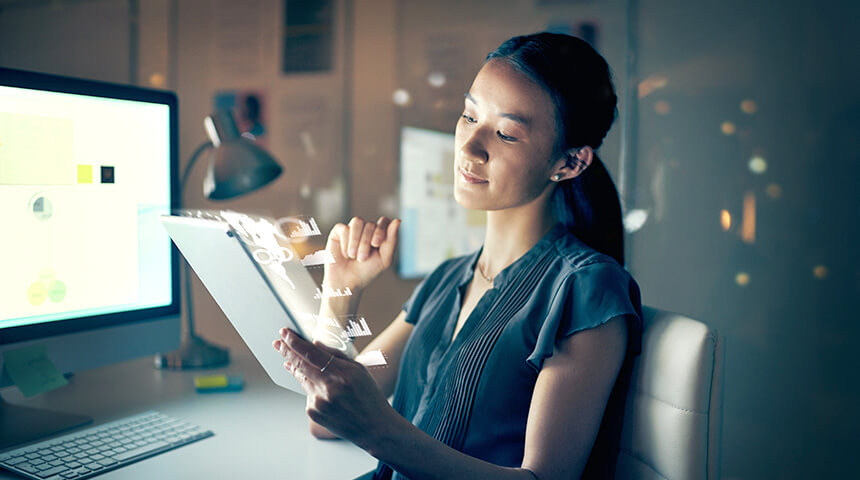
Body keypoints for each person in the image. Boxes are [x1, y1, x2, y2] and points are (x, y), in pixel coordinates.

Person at [272, 32, 643, 480]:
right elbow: (325, 418)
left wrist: (381, 432)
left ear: (569, 163)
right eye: (469, 116)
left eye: (506, 133)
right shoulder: (447, 279)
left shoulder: (586, 288)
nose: (468, 147)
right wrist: (339, 295)